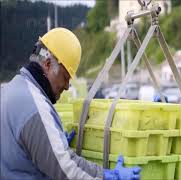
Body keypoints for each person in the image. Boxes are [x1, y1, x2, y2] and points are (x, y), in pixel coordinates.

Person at [1, 28, 141, 180]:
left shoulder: (10, 90)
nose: (67, 86)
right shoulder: (35, 106)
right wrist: (107, 175)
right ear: (47, 64)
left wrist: (51, 145)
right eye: (65, 76)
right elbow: (66, 168)